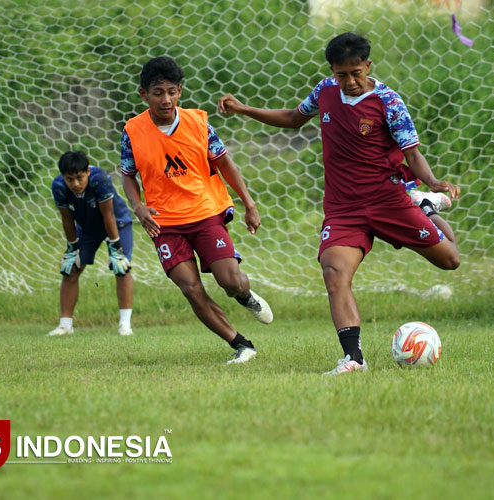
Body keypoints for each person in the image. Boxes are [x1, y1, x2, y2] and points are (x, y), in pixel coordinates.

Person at [218, 32, 460, 374]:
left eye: (356, 73)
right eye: (342, 74)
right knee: (334, 271)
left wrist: (433, 181)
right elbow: (292, 117)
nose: (349, 81)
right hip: (344, 208)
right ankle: (354, 358)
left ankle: (425, 206)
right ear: (332, 70)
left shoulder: (389, 102)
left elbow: (412, 154)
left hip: (389, 201)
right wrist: (243, 109)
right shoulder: (325, 91)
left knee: (450, 260)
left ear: (368, 66)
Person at [120, 56, 273, 365]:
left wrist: (249, 203)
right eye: (158, 92)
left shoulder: (199, 123)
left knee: (231, 281)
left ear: (180, 91)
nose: (166, 99)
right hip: (164, 223)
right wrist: (138, 208)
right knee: (190, 288)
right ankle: (241, 345)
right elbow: (127, 174)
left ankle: (245, 296)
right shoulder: (132, 131)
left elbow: (224, 162)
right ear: (143, 94)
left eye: (172, 92)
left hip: (205, 212)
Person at [48, 150, 135, 337]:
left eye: (79, 177)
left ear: (87, 172)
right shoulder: (59, 186)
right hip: (87, 228)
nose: (76, 184)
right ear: (63, 177)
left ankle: (125, 325)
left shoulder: (100, 179)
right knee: (71, 268)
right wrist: (72, 247)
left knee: (121, 267)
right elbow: (66, 219)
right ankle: (65, 325)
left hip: (116, 223)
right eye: (70, 179)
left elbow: (108, 214)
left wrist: (116, 246)